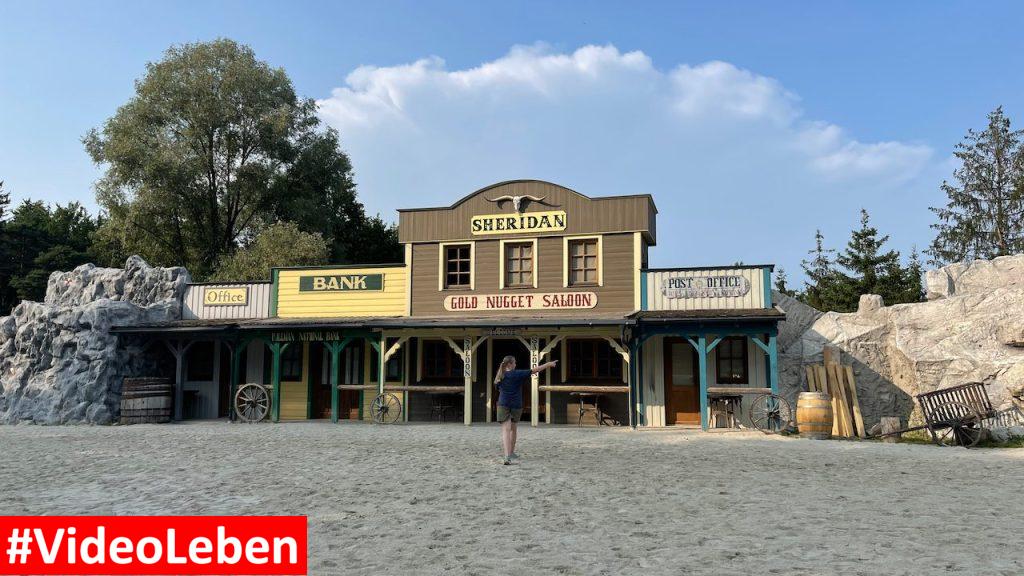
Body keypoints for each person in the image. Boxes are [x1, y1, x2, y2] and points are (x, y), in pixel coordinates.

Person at [493, 355, 558, 465]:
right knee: (513, 429)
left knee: (506, 430)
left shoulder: (499, 376)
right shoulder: (517, 374)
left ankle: (507, 456)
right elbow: (535, 370)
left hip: (503, 404)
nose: (515, 364)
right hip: (516, 405)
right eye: (514, 363)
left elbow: (498, 388)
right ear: (510, 364)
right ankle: (510, 453)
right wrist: (548, 364)